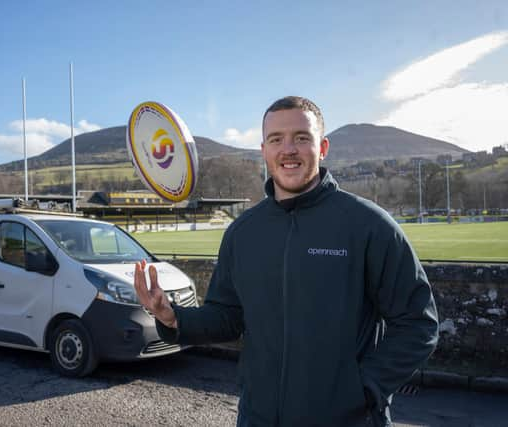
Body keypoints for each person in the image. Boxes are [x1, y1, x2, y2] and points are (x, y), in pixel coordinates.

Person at [134, 96, 439, 427]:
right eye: (276, 139)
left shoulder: (368, 225)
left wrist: (363, 390)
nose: (288, 149)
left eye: (301, 138)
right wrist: (173, 317)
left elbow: (418, 323)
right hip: (258, 418)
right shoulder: (243, 232)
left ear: (322, 148)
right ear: (264, 150)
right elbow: (228, 316)